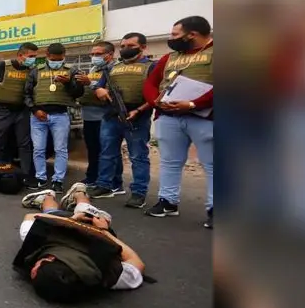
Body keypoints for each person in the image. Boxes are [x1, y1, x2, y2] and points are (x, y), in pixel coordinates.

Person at [16, 182, 147, 303]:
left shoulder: (107, 276)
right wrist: (103, 231)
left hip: (67, 227)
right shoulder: (107, 273)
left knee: (52, 212)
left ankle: (48, 197)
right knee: (89, 212)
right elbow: (136, 262)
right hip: (94, 229)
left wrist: (72, 220)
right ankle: (79, 194)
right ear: (50, 259)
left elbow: (32, 218)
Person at [142, 16, 214, 227]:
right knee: (170, 162)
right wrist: (155, 101)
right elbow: (151, 83)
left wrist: (192, 104)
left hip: (205, 117)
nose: (171, 38)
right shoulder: (169, 58)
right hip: (168, 117)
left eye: (175, 34)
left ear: (192, 34)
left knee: (212, 164)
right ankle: (168, 202)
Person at [87, 33, 156, 209]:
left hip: (136, 117)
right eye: (123, 45)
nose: (125, 48)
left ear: (143, 47)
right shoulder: (112, 68)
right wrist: (99, 91)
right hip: (111, 116)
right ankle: (105, 185)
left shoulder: (151, 67)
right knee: (107, 153)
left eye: (130, 45)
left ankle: (139, 193)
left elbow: (158, 95)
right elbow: (99, 86)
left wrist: (139, 111)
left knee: (138, 156)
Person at [24, 43, 84, 192]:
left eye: (60, 58)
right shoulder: (35, 71)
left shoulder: (71, 71)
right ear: (47, 56)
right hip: (38, 116)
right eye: (54, 58)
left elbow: (78, 93)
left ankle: (58, 181)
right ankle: (41, 178)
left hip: (60, 115)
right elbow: (27, 94)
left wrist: (68, 82)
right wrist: (34, 110)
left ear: (64, 56)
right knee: (38, 149)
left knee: (60, 150)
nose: (56, 61)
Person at [0, 42, 39, 186]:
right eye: (31, 56)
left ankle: (27, 176)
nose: (33, 59)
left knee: (24, 144)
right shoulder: (4, 66)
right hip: (2, 109)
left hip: (22, 110)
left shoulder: (32, 70)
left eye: (35, 56)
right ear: (20, 55)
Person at [75, 41, 123, 193]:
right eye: (93, 54)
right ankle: (93, 177)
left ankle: (115, 182)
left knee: (109, 150)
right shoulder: (94, 68)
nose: (94, 56)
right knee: (93, 149)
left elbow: (110, 91)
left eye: (98, 54)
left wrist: (90, 83)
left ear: (110, 55)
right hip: (88, 115)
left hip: (104, 115)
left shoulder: (115, 69)